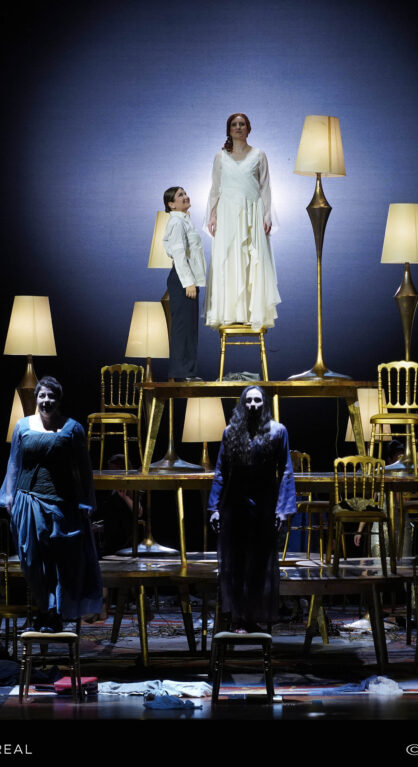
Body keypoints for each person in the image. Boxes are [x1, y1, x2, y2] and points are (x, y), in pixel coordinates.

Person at [0, 376, 101, 631]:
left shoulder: (72, 428)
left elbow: (83, 469)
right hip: (27, 501)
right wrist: (9, 496)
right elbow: (14, 463)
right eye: (42, 396)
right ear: (36, 399)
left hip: (61, 504)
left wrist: (86, 502)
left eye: (51, 396)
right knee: (32, 560)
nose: (46, 400)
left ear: (58, 400)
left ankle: (53, 613)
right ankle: (42, 608)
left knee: (58, 560)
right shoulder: (22, 426)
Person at [207, 386, 295, 632]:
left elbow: (286, 470)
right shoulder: (231, 432)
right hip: (235, 504)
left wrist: (282, 509)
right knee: (236, 562)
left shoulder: (278, 431)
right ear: (242, 404)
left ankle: (253, 616)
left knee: (259, 563)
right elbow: (221, 471)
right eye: (249, 400)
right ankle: (237, 617)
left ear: (264, 403)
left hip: (265, 504)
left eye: (257, 400)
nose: (253, 404)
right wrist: (214, 508)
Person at [204, 113, 281, 331]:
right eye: (234, 124)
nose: (238, 127)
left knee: (252, 259)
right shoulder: (220, 157)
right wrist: (212, 215)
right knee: (228, 258)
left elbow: (265, 187)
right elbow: (215, 188)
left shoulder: (259, 155)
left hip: (252, 213)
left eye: (242, 124)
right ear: (229, 130)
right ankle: (230, 312)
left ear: (248, 128)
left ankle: (252, 312)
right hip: (227, 213)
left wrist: (266, 215)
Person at [163, 186, 207, 381]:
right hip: (182, 279)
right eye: (180, 195)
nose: (185, 196)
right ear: (171, 204)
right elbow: (179, 254)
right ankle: (181, 374)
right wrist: (188, 283)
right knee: (182, 328)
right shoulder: (176, 222)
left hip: (189, 279)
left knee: (190, 327)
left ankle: (188, 373)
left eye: (185, 193)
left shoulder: (185, 221)